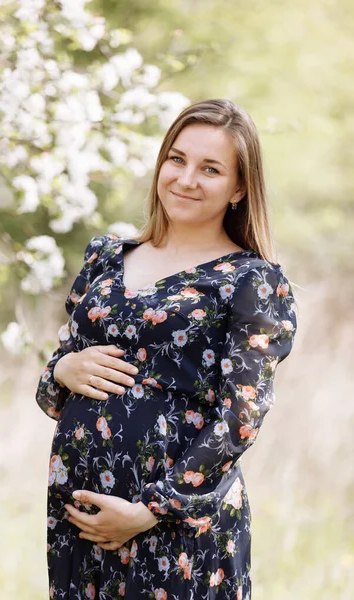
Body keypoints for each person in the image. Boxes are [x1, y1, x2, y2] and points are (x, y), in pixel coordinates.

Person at [36, 98, 297, 600]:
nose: (186, 179)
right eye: (177, 159)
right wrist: (63, 369)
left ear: (239, 187)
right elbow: (53, 391)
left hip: (178, 527)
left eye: (211, 169)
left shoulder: (252, 282)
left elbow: (241, 415)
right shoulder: (105, 258)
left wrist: (150, 511)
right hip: (80, 514)